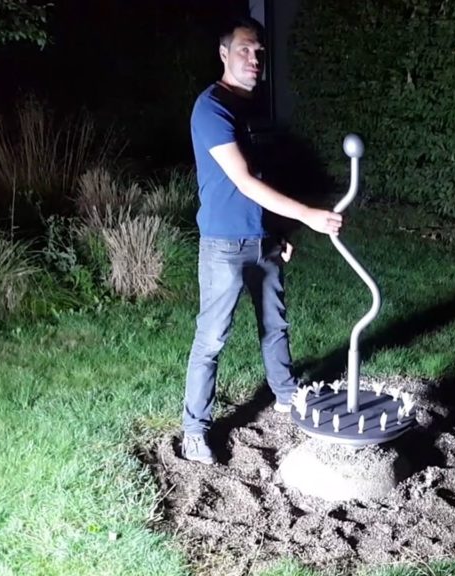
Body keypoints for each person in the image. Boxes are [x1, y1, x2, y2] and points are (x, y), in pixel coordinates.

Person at [181, 17, 342, 464]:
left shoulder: (250, 108)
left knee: (276, 328)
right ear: (224, 53)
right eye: (245, 50)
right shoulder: (211, 108)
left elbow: (264, 178)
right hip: (224, 246)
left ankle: (288, 398)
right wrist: (307, 215)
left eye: (260, 53)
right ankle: (195, 432)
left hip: (262, 241)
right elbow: (244, 181)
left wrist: (280, 230)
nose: (254, 60)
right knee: (212, 339)